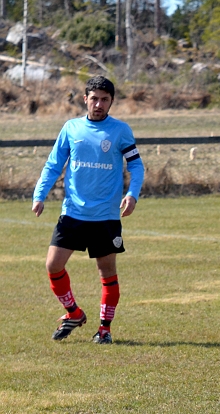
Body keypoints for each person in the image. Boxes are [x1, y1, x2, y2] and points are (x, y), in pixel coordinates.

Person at [33, 75, 144, 344]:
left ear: (111, 101)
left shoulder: (120, 131)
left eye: (105, 99)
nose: (99, 104)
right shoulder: (71, 128)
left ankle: (104, 329)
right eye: (94, 98)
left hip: (105, 216)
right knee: (53, 265)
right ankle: (74, 313)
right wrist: (40, 194)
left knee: (107, 273)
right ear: (85, 99)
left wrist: (132, 194)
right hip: (72, 212)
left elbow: (136, 166)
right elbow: (53, 164)